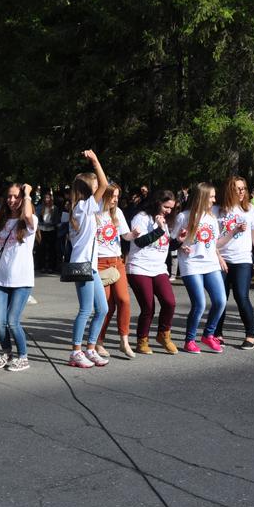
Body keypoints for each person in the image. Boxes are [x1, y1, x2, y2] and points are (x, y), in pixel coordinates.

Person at [171, 183, 233, 354]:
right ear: (203, 197)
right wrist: (181, 246)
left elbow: (214, 244)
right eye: (212, 197)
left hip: (211, 263)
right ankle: (189, 340)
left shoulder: (212, 217)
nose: (214, 200)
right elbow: (172, 240)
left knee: (220, 301)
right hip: (191, 264)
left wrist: (230, 238)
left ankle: (208, 335)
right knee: (200, 304)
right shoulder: (184, 217)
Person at [67, 150, 110, 369]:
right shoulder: (82, 207)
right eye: (94, 187)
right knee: (86, 309)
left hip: (89, 265)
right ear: (87, 189)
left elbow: (102, 186)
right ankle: (76, 351)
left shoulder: (85, 208)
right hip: (81, 265)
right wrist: (95, 161)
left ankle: (90, 348)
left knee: (102, 309)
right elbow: (105, 183)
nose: (98, 189)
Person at [213, 176, 254, 349]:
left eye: (244, 188)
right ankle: (217, 334)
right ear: (230, 190)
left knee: (241, 297)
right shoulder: (217, 210)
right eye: (238, 189)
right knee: (220, 298)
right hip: (220, 259)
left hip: (242, 259)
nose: (242, 192)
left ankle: (251, 335)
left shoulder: (249, 209)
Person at [0, 183, 38, 372]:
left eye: (16, 197)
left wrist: (27, 193)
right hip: (1, 278)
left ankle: (23, 357)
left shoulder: (30, 219)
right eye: (9, 197)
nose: (11, 200)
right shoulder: (2, 220)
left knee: (12, 321)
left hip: (22, 280)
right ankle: (6, 352)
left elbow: (26, 215)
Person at [126, 190, 179, 355]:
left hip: (158, 268)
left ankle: (164, 335)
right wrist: (160, 229)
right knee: (148, 307)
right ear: (157, 202)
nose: (168, 211)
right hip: (139, 267)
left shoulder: (164, 220)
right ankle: (142, 341)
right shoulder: (141, 217)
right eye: (166, 206)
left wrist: (179, 242)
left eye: (171, 208)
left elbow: (165, 245)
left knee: (169, 302)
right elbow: (140, 242)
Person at [95, 184, 139, 358]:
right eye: (113, 196)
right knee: (105, 305)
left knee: (124, 300)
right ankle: (98, 341)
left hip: (116, 261)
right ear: (104, 195)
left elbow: (125, 236)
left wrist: (133, 234)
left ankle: (124, 341)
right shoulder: (95, 212)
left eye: (117, 196)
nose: (115, 199)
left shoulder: (118, 212)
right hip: (99, 263)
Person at [35, 191, 60, 273]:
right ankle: (41, 266)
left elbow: (57, 220)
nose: (46, 199)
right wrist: (42, 224)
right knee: (41, 248)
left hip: (51, 230)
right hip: (42, 229)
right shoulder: (40, 207)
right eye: (45, 198)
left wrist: (51, 224)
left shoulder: (54, 208)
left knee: (51, 249)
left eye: (48, 198)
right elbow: (37, 219)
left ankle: (51, 267)